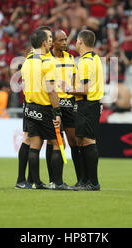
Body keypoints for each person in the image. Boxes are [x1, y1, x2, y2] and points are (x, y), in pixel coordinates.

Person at [18, 27, 73, 190]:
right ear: (43, 42)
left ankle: (34, 182)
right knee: (57, 143)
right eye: (49, 39)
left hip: (30, 106)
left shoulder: (26, 62)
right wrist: (57, 112)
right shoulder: (46, 62)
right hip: (45, 108)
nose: (51, 41)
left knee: (34, 144)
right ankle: (57, 183)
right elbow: (51, 89)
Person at [66, 30, 104, 191]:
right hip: (90, 104)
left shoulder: (85, 62)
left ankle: (93, 182)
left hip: (88, 104)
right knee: (81, 140)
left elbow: (86, 89)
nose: (75, 43)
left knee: (88, 141)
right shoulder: (94, 58)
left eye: (76, 41)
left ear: (80, 42)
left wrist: (68, 90)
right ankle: (86, 180)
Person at [47, 29, 82, 188]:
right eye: (61, 40)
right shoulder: (47, 59)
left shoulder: (70, 58)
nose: (65, 42)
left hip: (69, 103)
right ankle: (54, 180)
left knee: (74, 141)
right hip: (54, 104)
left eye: (66, 39)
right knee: (55, 142)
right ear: (53, 42)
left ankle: (81, 180)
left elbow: (74, 80)